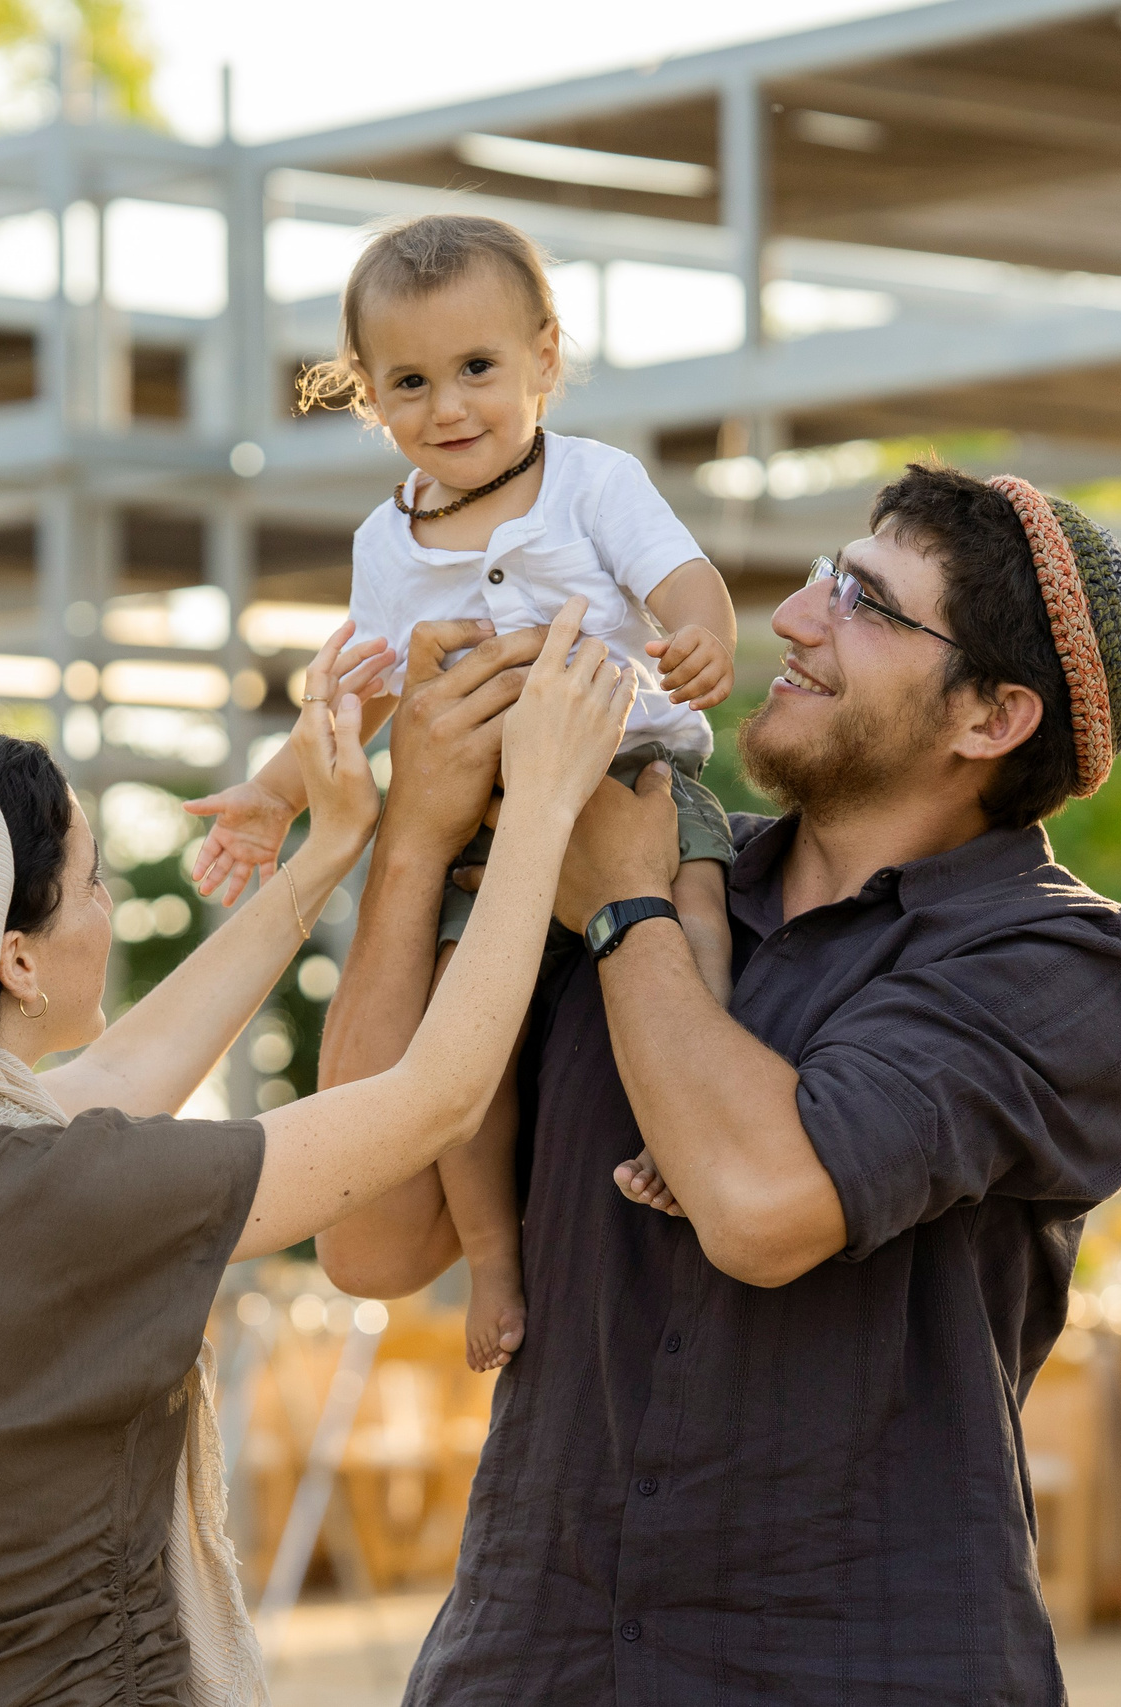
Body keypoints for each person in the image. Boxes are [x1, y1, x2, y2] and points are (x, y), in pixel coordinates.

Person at [319, 463, 1121, 1700]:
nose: (796, 617)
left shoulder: (1061, 960)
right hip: (530, 1662)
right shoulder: (642, 849)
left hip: (856, 1667)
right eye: (832, 575)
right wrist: (417, 835)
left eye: (869, 606)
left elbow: (767, 1205)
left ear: (991, 719)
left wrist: (621, 906)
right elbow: (369, 1235)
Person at [0, 609, 636, 1707]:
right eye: (91, 886)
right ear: (16, 959)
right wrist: (542, 808)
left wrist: (328, 850)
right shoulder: (52, 1197)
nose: (107, 910)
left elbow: (121, 1074)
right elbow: (433, 1101)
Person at [187, 213, 741, 1373]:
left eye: (478, 369)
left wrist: (698, 633)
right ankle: (493, 1252)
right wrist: (274, 792)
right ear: (369, 400)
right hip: (480, 835)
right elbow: (370, 694)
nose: (449, 407)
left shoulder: (592, 480)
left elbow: (681, 574)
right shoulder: (385, 544)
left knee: (690, 902)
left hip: (624, 772)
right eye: (411, 381)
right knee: (455, 1044)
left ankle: (690, 1117)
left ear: (544, 357)